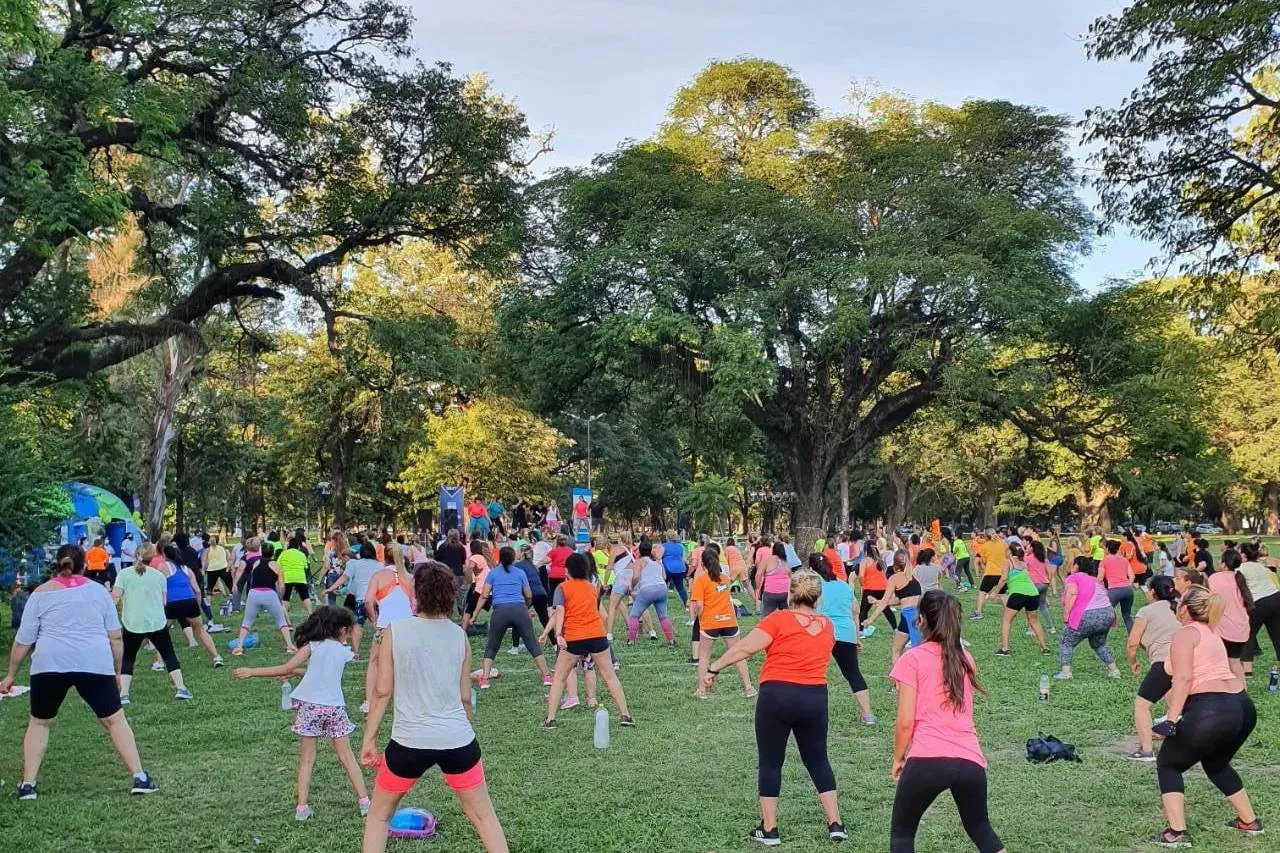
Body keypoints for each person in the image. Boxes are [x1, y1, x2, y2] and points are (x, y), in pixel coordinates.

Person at [359, 563, 509, 853]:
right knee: (484, 816)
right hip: (458, 741)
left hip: (407, 744)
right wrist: (461, 731)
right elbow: (466, 698)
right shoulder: (458, 636)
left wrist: (369, 741)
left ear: (416, 593)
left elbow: (382, 691)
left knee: (379, 817)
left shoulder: (395, 632)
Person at [1, 544, 159, 800]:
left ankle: (28, 785)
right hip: (94, 662)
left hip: (49, 664)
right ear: (85, 564)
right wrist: (117, 672)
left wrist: (10, 675)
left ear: (56, 564)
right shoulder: (98, 592)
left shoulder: (40, 593)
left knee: (40, 722)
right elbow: (116, 637)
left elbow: (23, 641)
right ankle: (139, 777)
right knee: (114, 720)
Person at [703, 569, 846, 846]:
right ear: (817, 597)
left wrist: (714, 668)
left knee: (771, 762)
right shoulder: (828, 625)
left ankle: (770, 829)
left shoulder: (779, 619)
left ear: (790, 593)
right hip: (815, 698)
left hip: (777, 695)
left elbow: (744, 648)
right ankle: (835, 824)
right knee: (818, 759)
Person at [889, 590, 1004, 853]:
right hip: (970, 760)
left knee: (902, 836)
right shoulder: (965, 659)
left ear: (920, 621)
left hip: (928, 757)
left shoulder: (912, 659)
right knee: (981, 829)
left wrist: (898, 758)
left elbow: (905, 720)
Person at [1148, 585, 1262, 847]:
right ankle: (1249, 822)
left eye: (1179, 601)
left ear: (1185, 609)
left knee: (1169, 764)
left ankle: (1176, 833)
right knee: (1217, 764)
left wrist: (1170, 720)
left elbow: (1184, 678)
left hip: (1213, 708)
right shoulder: (1211, 632)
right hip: (1242, 706)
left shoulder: (1185, 634)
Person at [235, 606, 370, 821]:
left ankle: (302, 808)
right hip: (335, 708)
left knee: (307, 760)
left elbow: (285, 668)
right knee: (347, 757)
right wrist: (299, 673)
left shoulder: (312, 647)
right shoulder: (344, 652)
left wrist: (253, 672)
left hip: (310, 708)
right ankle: (364, 803)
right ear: (342, 630)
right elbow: (323, 672)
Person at [542, 553, 635, 728]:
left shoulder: (562, 588)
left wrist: (558, 634)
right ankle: (626, 715)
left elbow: (559, 611)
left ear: (567, 571)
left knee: (560, 677)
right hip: (597, 635)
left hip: (574, 638)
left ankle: (550, 719)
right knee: (610, 676)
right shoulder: (592, 588)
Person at [113, 543, 190, 703]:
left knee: (128, 657)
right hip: (156, 622)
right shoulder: (159, 576)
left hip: (132, 622)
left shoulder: (124, 574)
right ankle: (181, 688)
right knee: (169, 654)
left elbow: (115, 597)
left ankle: (124, 694)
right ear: (152, 557)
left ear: (136, 555)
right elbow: (163, 601)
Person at [473, 546, 553, 689]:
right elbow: (528, 595)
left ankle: (485, 679)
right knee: (531, 643)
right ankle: (546, 675)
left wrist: (475, 615)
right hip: (519, 609)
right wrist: (525, 605)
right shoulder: (520, 572)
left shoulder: (493, 573)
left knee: (492, 645)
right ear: (513, 558)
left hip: (500, 611)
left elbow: (484, 595)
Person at [813, 554, 874, 724]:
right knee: (853, 673)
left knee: (813, 672)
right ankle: (868, 714)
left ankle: (811, 713)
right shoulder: (844, 585)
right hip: (846, 632)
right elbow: (855, 610)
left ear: (812, 569)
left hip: (822, 631)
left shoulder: (814, 586)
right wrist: (855, 637)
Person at [1125, 575, 1180, 762]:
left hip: (1165, 663)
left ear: (1153, 592)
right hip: (1188, 661)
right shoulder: (1181, 607)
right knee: (1177, 701)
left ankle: (1146, 750)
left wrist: (1133, 662)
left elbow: (1132, 643)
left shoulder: (1146, 611)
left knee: (1142, 705)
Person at [690, 548, 755, 699]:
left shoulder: (700, 580)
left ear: (703, 564)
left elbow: (699, 605)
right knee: (738, 654)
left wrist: (699, 619)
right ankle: (749, 688)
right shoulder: (725, 579)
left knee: (704, 656)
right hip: (729, 621)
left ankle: (702, 690)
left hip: (710, 622)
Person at [1056, 556, 1122, 680]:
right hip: (1107, 614)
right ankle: (1114, 670)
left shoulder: (1073, 577)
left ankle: (1066, 673)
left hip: (1087, 615)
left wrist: (1066, 615)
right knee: (1099, 644)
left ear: (1076, 566)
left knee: (1066, 642)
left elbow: (1072, 593)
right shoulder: (1095, 580)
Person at [159, 543, 223, 666]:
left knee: (161, 633)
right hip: (190, 601)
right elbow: (197, 590)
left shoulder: (163, 566)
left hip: (172, 602)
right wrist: (197, 605)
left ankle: (160, 663)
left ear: (165, 555)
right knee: (200, 630)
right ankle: (216, 657)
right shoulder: (187, 569)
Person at [234, 536, 296, 656]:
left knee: (246, 622)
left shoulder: (256, 563)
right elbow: (281, 586)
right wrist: (280, 598)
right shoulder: (276, 565)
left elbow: (252, 578)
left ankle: (239, 646)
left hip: (254, 593)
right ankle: (289, 645)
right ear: (273, 553)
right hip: (269, 594)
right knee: (281, 621)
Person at [323, 542, 383, 659]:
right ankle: (382, 650)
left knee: (357, 625)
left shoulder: (353, 564)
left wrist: (330, 588)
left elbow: (344, 578)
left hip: (360, 599)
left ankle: (356, 652)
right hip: (376, 599)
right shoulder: (380, 565)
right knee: (379, 625)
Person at [863, 549, 922, 668]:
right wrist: (878, 601)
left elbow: (886, 602)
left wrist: (870, 620)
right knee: (919, 650)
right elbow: (901, 599)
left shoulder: (894, 578)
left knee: (896, 650)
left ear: (895, 565)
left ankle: (897, 683)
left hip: (908, 616)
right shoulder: (914, 576)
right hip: (920, 616)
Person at [992, 542, 1049, 657]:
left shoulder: (1008, 561)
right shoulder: (1023, 563)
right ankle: (1044, 647)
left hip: (1018, 594)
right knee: (1034, 621)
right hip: (1033, 594)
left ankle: (1005, 649)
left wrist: (994, 593)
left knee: (1006, 620)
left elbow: (1003, 579)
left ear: (1009, 551)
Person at [1207, 549, 1252, 679]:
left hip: (1223, 629)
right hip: (1241, 628)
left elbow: (1210, 600)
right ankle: (1241, 692)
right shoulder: (1239, 577)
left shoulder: (1215, 578)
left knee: (1218, 663)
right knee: (1235, 662)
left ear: (1223, 564)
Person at [1238, 541, 1280, 677]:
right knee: (1277, 634)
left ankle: (1247, 671)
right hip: (1275, 598)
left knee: (1247, 634)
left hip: (1259, 603)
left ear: (1243, 554)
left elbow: (1240, 588)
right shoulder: (1259, 565)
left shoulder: (1241, 568)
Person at [626, 540, 675, 645]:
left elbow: (635, 577)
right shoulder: (657, 562)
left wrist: (631, 586)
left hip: (647, 589)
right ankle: (670, 640)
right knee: (663, 616)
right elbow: (665, 577)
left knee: (634, 615)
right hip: (662, 588)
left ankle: (631, 640)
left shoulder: (638, 562)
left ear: (639, 551)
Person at [509, 543, 551, 654]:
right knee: (545, 620)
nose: (516, 553)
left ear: (522, 553)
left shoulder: (517, 566)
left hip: (529, 594)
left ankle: (515, 648)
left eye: (518, 551)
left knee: (517, 618)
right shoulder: (533, 565)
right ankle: (556, 644)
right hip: (541, 593)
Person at [857, 542, 897, 636]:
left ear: (865, 550)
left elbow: (861, 576)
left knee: (863, 610)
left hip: (870, 588)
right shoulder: (880, 560)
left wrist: (862, 585)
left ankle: (861, 630)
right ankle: (895, 629)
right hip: (883, 588)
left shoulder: (865, 560)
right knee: (886, 609)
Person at [1100, 539, 1137, 632]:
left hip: (1114, 590)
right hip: (1128, 590)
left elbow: (1100, 578)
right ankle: (1133, 638)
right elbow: (1132, 576)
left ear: (1107, 549)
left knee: (1105, 612)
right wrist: (1127, 585)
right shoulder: (1124, 560)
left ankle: (1100, 635)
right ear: (1117, 549)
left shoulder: (1104, 561)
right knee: (1127, 615)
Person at [277, 532, 314, 622]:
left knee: (286, 598)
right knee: (305, 597)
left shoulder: (283, 554)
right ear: (298, 546)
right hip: (300, 578)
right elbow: (306, 567)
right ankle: (310, 614)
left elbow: (278, 565)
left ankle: (285, 618)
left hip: (287, 578)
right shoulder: (301, 554)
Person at [433, 529, 469, 617]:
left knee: (445, 594)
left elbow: (436, 559)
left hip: (445, 573)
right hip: (458, 573)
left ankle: (445, 613)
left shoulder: (442, 547)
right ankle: (462, 612)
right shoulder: (461, 548)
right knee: (459, 595)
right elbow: (463, 561)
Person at [973, 530, 1008, 618]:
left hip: (991, 573)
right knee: (1002, 594)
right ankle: (1010, 612)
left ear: (986, 537)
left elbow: (983, 561)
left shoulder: (985, 546)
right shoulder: (1003, 544)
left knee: (982, 592)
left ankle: (979, 612)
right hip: (1002, 573)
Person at [755, 541, 791, 617]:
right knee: (786, 616)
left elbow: (758, 575)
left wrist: (758, 588)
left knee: (767, 616)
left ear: (773, 550)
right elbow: (791, 576)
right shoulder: (785, 562)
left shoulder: (767, 560)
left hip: (770, 592)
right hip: (785, 592)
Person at [661, 530, 689, 608]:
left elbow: (659, 557)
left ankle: (663, 606)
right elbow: (684, 559)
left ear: (667, 537)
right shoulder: (680, 546)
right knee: (680, 588)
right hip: (680, 569)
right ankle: (687, 605)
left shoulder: (663, 546)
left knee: (663, 587)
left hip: (667, 569)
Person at [542, 533, 573, 599]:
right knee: (563, 593)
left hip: (553, 574)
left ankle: (552, 606)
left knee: (553, 593)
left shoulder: (554, 551)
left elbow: (545, 561)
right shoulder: (570, 551)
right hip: (564, 574)